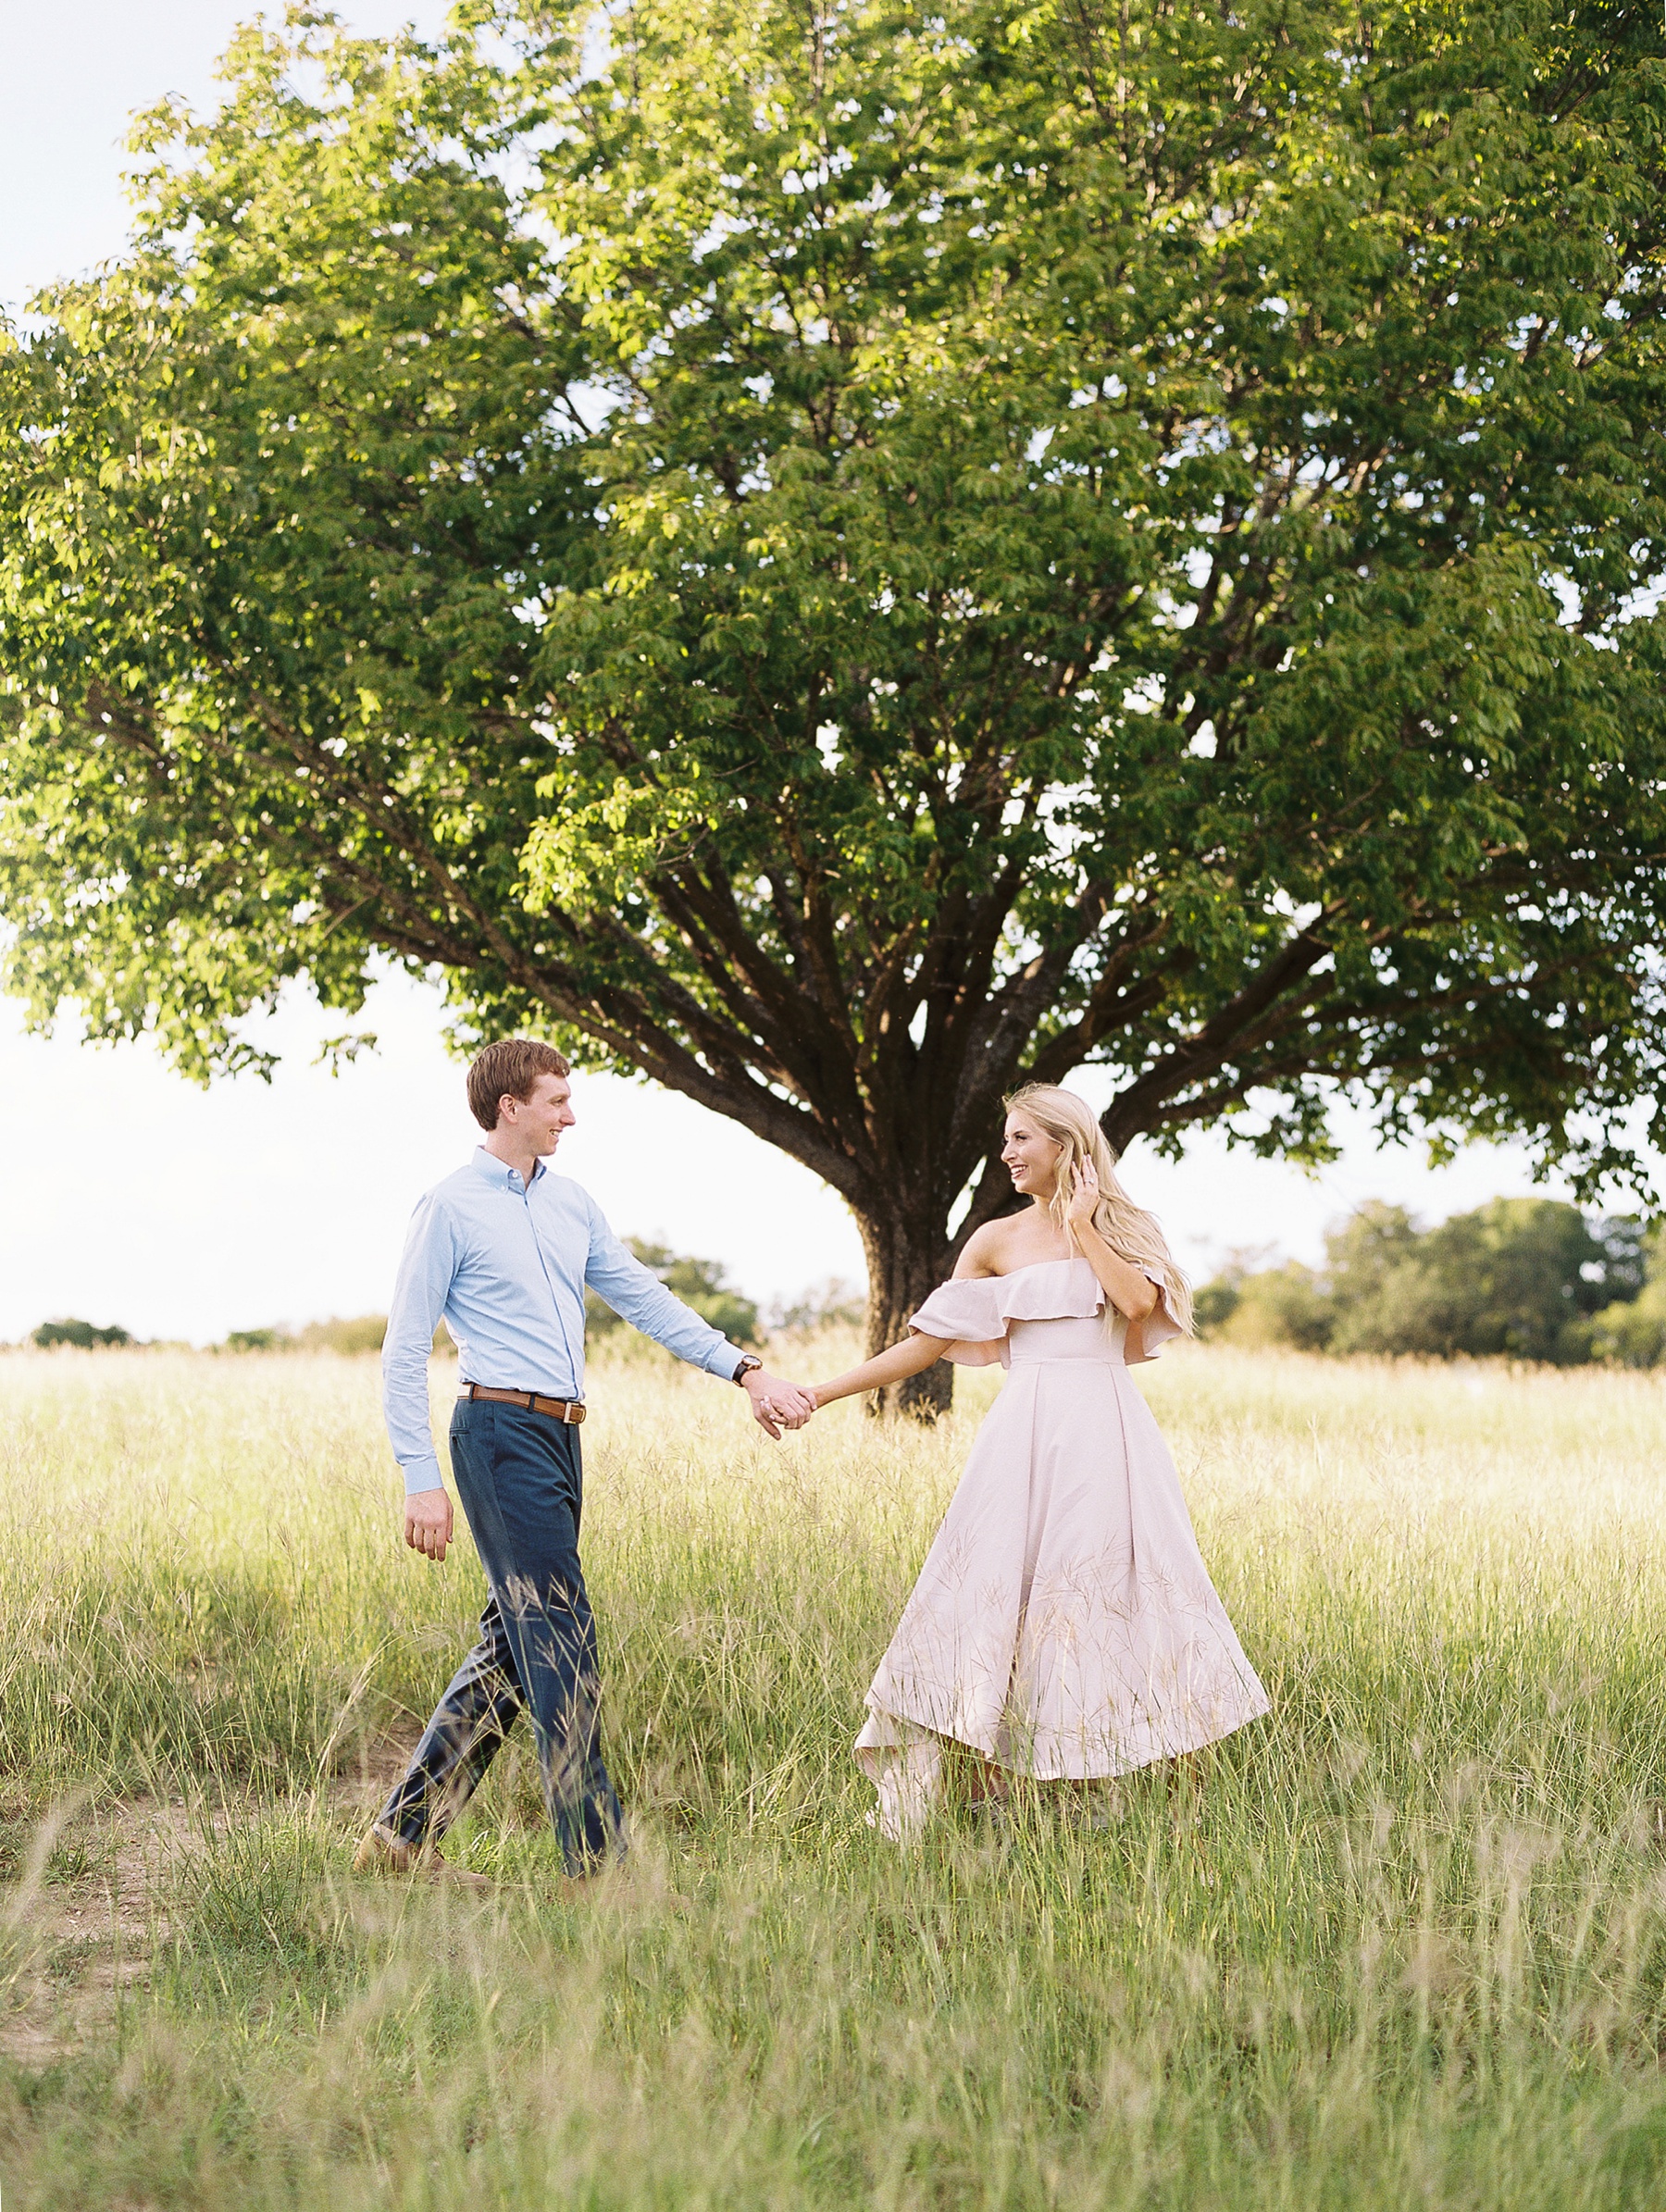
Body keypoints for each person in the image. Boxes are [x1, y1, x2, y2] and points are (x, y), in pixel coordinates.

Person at [354, 1038, 815, 1883]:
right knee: (562, 1634)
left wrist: (744, 1370)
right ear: (510, 1108)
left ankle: (401, 1839)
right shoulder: (449, 1206)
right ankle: (596, 1866)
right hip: (494, 1435)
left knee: (513, 1640)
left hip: (562, 1436)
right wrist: (419, 1476)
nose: (572, 1114)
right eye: (558, 1100)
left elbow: (641, 1296)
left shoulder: (571, 1204)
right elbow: (403, 1347)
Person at [812, 1083, 1269, 1839]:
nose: (1007, 1153)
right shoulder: (993, 1240)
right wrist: (821, 1393)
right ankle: (999, 1783)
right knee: (1003, 1590)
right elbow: (927, 1340)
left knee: (1110, 1590)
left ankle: (1126, 1776)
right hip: (1021, 1433)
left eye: (1023, 1138)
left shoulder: (1128, 1227)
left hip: (1106, 1431)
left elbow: (1134, 1306)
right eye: (1006, 1138)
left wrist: (1086, 1226)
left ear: (1066, 1144)